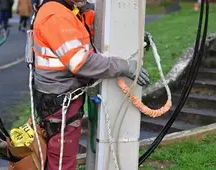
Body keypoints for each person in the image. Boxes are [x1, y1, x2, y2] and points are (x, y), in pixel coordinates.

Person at [32, 0, 151, 169]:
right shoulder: (56, 15)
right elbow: (82, 63)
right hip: (59, 101)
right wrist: (125, 67)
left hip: (59, 98)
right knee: (62, 163)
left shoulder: (70, 9)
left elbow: (95, 30)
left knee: (61, 158)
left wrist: (133, 35)